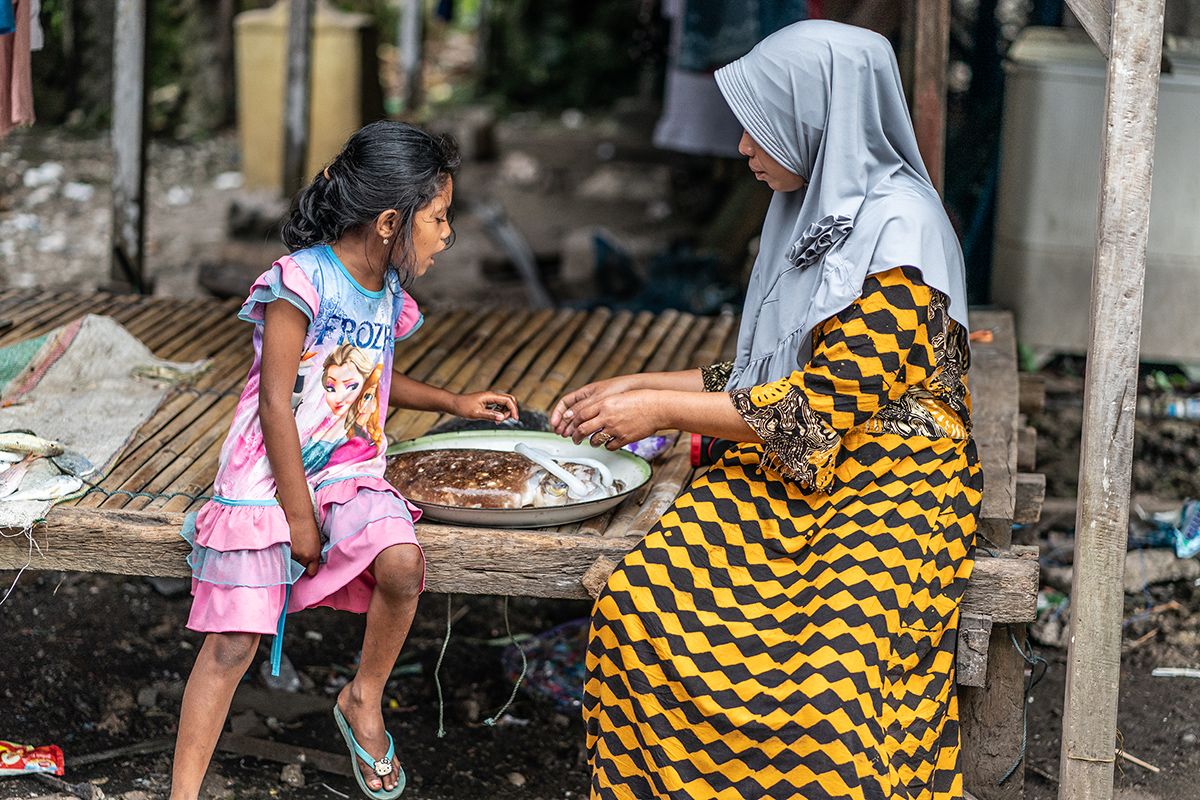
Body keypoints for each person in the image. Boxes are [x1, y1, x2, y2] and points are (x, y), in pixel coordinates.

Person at [552, 20, 980, 800]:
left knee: (828, 686)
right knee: (641, 611)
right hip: (789, 465)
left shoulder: (900, 233)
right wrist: (639, 386)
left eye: (761, 125)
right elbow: (774, 372)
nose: (743, 146)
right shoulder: (812, 214)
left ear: (819, 117)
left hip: (895, 478)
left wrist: (660, 408)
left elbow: (817, 408)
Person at [171, 121, 518, 800]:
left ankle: (364, 695)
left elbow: (370, 377)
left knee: (403, 562)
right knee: (234, 645)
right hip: (269, 474)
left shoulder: (386, 288)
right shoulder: (300, 282)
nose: (447, 234)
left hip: (350, 472)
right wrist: (299, 519)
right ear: (391, 221)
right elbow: (276, 405)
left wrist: (455, 400)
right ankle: (182, 792)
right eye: (439, 218)